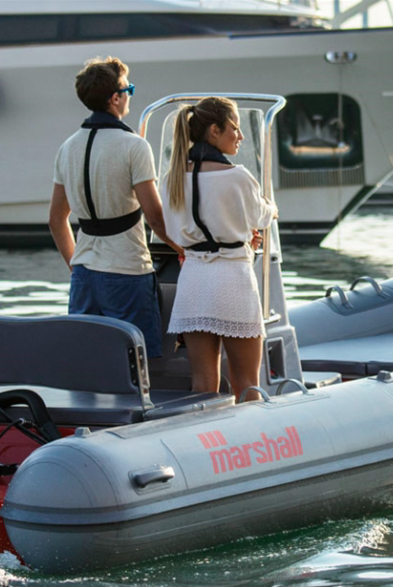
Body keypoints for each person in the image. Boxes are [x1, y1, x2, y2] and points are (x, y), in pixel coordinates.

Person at [48, 56, 178, 359]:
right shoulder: (134, 146)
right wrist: (184, 249)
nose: (129, 95)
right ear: (116, 98)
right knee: (135, 361)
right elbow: (156, 218)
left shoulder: (67, 147)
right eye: (128, 89)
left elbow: (56, 220)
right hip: (127, 270)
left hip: (83, 272)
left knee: (89, 360)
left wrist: (75, 265)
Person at [160, 97, 277, 401]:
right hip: (232, 278)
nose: (239, 136)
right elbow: (261, 216)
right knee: (247, 383)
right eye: (234, 128)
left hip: (194, 279)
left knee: (202, 386)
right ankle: (249, 444)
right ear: (214, 131)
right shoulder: (237, 176)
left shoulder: (172, 178)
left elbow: (173, 231)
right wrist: (269, 210)